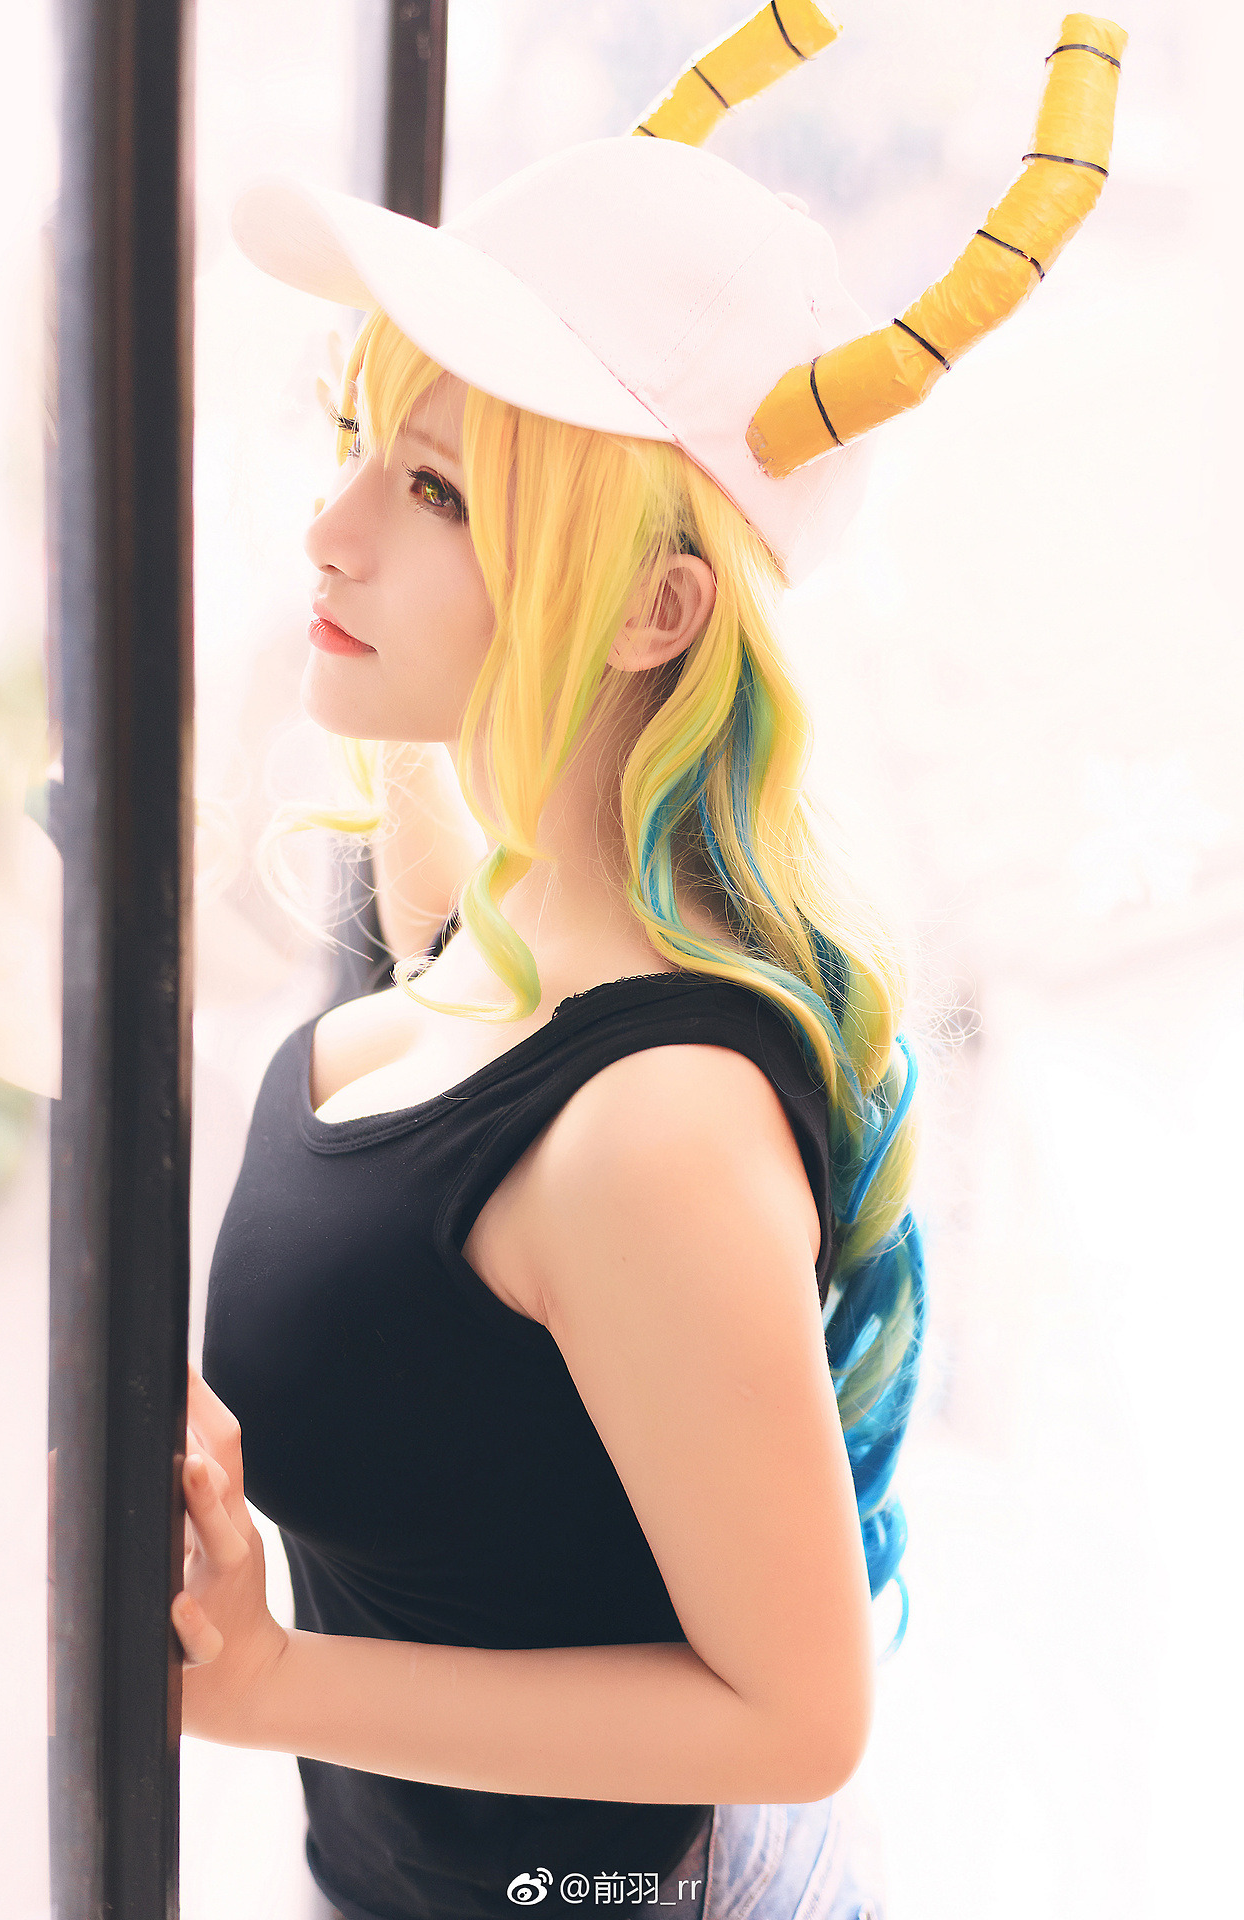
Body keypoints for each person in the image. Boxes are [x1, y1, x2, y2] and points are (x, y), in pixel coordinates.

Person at [172, 8, 1124, 1918]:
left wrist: (277, 1686)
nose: (328, 531)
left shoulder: (653, 1126)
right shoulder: (476, 921)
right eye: (359, 441)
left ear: (658, 607)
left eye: (440, 492)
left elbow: (799, 1716)